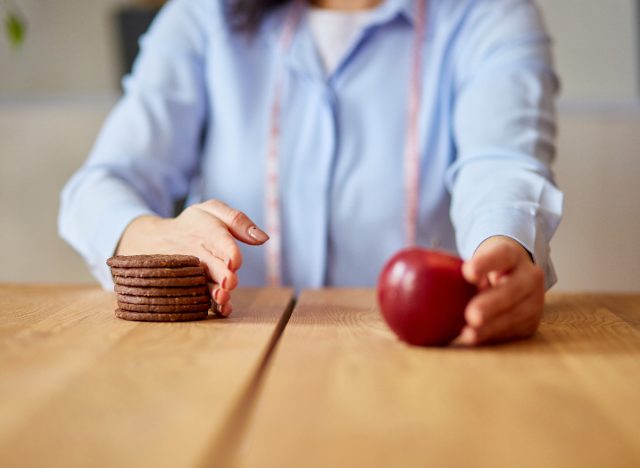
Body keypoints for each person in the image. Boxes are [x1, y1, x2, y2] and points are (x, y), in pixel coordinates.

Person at [59, 0, 563, 345]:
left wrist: (506, 247)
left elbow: (499, 163)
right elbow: (103, 183)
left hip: (418, 374)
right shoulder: (204, 14)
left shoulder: (492, 15)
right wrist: (152, 235)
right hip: (222, 368)